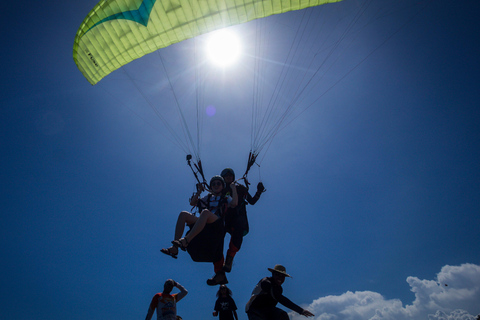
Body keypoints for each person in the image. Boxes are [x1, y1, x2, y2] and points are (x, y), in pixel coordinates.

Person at [161, 176, 237, 285]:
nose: (216, 185)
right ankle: (175, 248)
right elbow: (193, 203)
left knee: (205, 212)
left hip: (216, 223)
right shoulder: (207, 197)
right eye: (214, 184)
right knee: (183, 214)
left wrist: (233, 188)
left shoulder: (226, 197)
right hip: (205, 221)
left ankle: (186, 240)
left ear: (222, 186)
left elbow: (234, 204)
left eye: (218, 184)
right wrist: (199, 191)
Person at [220, 168, 265, 272]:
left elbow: (252, 201)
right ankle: (217, 260)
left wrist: (259, 192)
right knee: (217, 236)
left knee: (237, 238)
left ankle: (229, 259)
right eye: (225, 175)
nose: (228, 176)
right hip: (224, 218)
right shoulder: (219, 188)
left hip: (238, 218)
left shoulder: (240, 188)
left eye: (230, 174)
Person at [245, 265, 315, 320]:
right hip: (254, 310)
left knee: (282, 315)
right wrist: (300, 310)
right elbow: (280, 298)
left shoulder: (279, 289)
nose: (280, 278)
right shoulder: (266, 282)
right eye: (278, 275)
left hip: (267, 310)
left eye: (282, 276)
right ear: (273, 274)